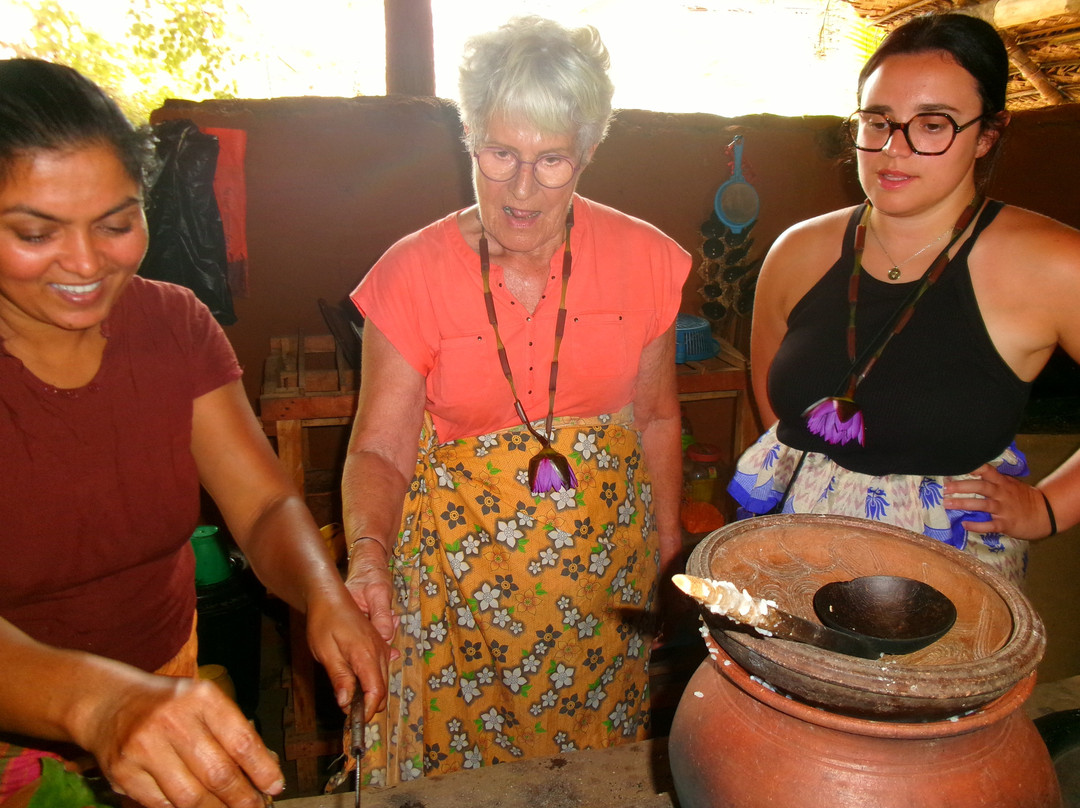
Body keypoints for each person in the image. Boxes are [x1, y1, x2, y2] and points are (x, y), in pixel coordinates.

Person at [0, 59, 388, 808]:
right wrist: (101, 702)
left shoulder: (174, 325)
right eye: (35, 232)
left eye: (116, 223)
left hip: (169, 695)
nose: (85, 262)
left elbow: (265, 507)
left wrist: (322, 591)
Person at [341, 15, 690, 785]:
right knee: (465, 778)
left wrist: (670, 546)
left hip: (602, 593)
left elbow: (658, 417)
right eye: (500, 154)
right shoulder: (411, 274)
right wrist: (368, 558)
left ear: (589, 151)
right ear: (467, 136)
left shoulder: (648, 261)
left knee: (590, 768)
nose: (523, 189)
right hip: (458, 599)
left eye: (552, 160)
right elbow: (377, 449)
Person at [728, 12, 1080, 587]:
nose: (894, 149)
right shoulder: (799, 250)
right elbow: (772, 399)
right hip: (797, 548)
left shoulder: (1051, 263)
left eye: (933, 124)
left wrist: (1047, 508)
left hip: (947, 573)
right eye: (878, 121)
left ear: (988, 134)